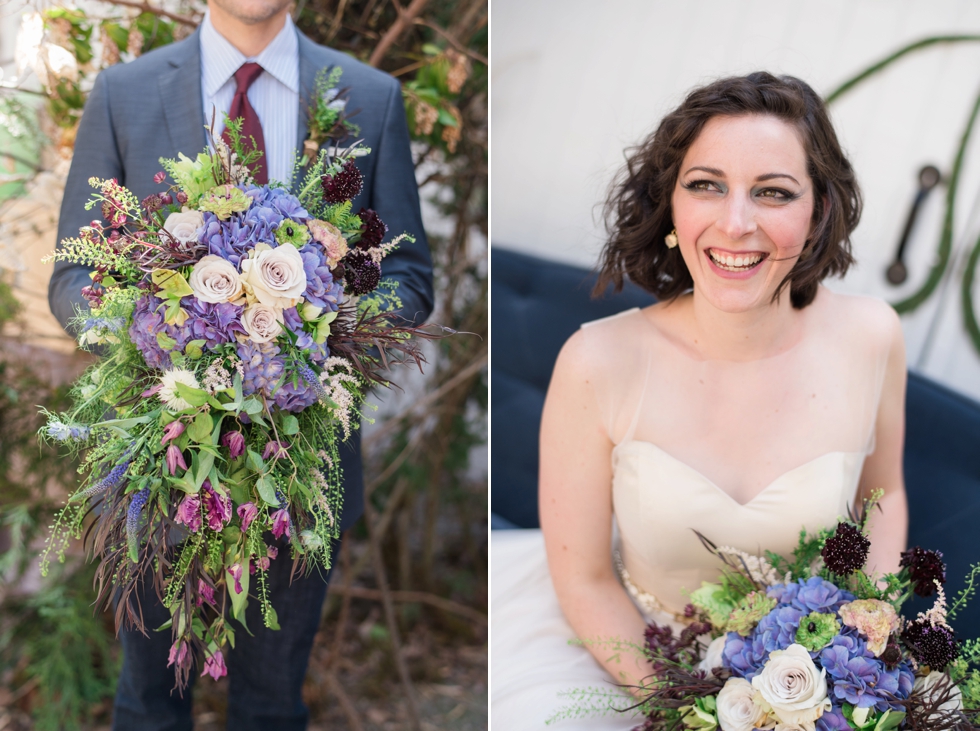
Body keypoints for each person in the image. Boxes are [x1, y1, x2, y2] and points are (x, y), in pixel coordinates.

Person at [47, 2, 434, 729]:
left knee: (270, 705)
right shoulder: (121, 93)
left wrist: (320, 331)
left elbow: (409, 279)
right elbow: (72, 278)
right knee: (148, 704)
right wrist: (157, 346)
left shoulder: (370, 96)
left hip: (304, 466)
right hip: (155, 467)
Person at [490, 72, 907, 729]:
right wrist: (696, 710)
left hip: (803, 673)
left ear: (820, 209)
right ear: (671, 202)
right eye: (706, 184)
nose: (735, 223)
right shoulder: (597, 360)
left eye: (773, 192)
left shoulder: (872, 336)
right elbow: (587, 579)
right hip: (625, 653)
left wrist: (865, 639)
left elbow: (884, 498)